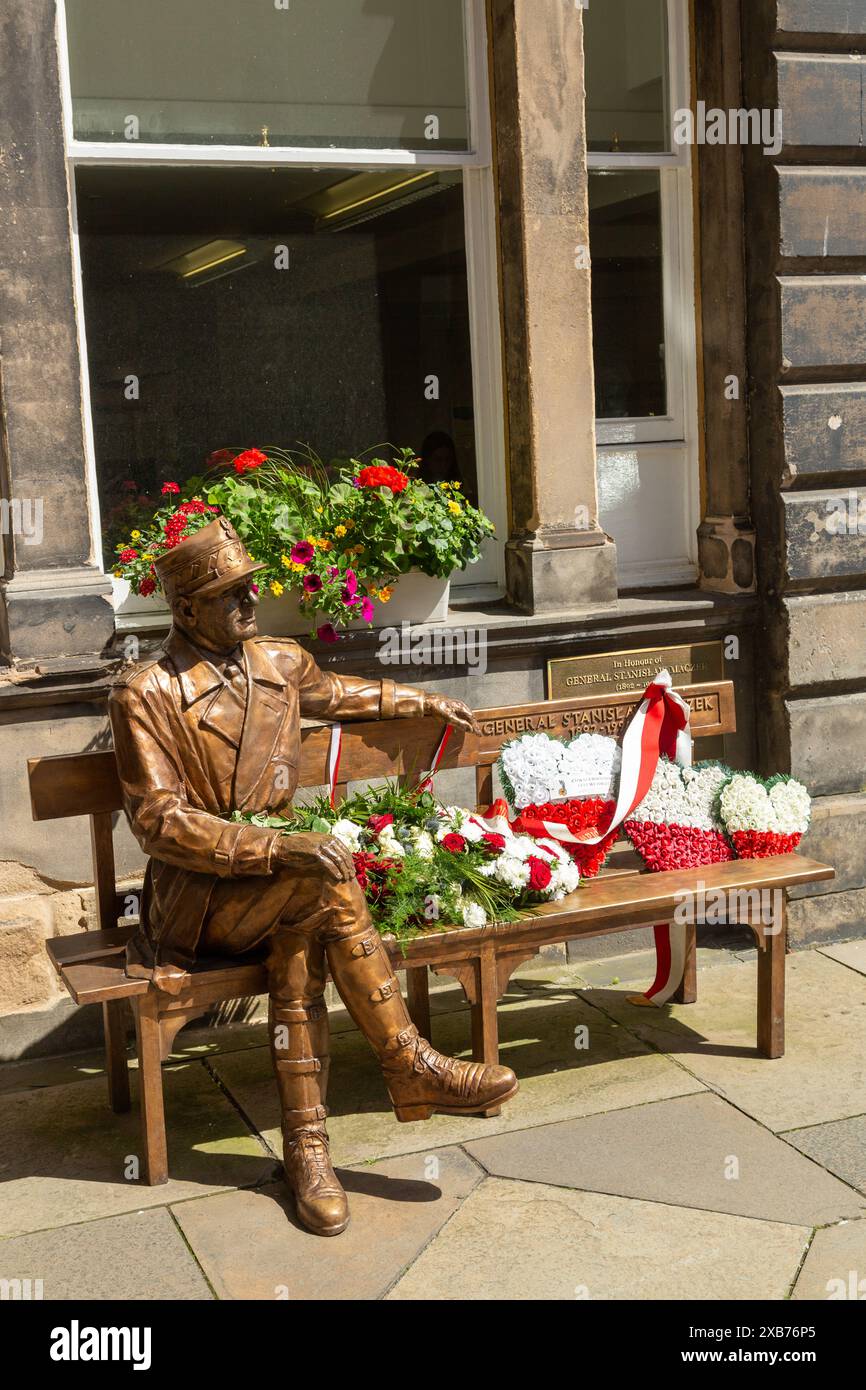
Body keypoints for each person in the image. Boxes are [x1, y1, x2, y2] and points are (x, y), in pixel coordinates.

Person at [108, 517, 517, 1236]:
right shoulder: (146, 693)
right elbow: (160, 823)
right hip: (195, 902)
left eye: (253, 586)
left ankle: (309, 1152)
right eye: (232, 592)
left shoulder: (279, 664)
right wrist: (277, 847)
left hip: (283, 892)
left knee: (305, 923)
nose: (252, 601)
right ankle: (406, 1062)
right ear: (184, 609)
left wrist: (421, 701)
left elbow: (344, 695)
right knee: (319, 879)